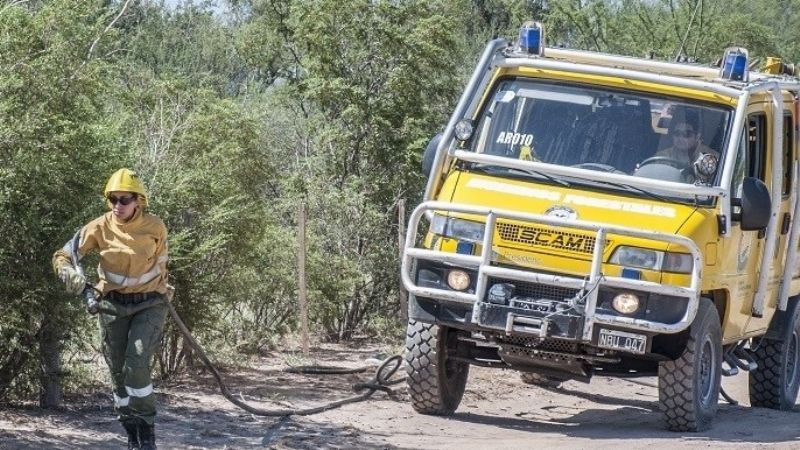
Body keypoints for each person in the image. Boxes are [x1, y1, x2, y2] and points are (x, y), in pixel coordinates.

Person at [53, 168, 169, 450]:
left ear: (138, 200)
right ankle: (130, 432)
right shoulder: (99, 227)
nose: (118, 205)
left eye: (124, 199)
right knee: (117, 370)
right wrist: (68, 273)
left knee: (136, 365)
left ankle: (147, 432)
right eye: (113, 199)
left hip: (150, 303)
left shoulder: (155, 227)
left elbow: (161, 267)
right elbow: (64, 254)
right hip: (112, 304)